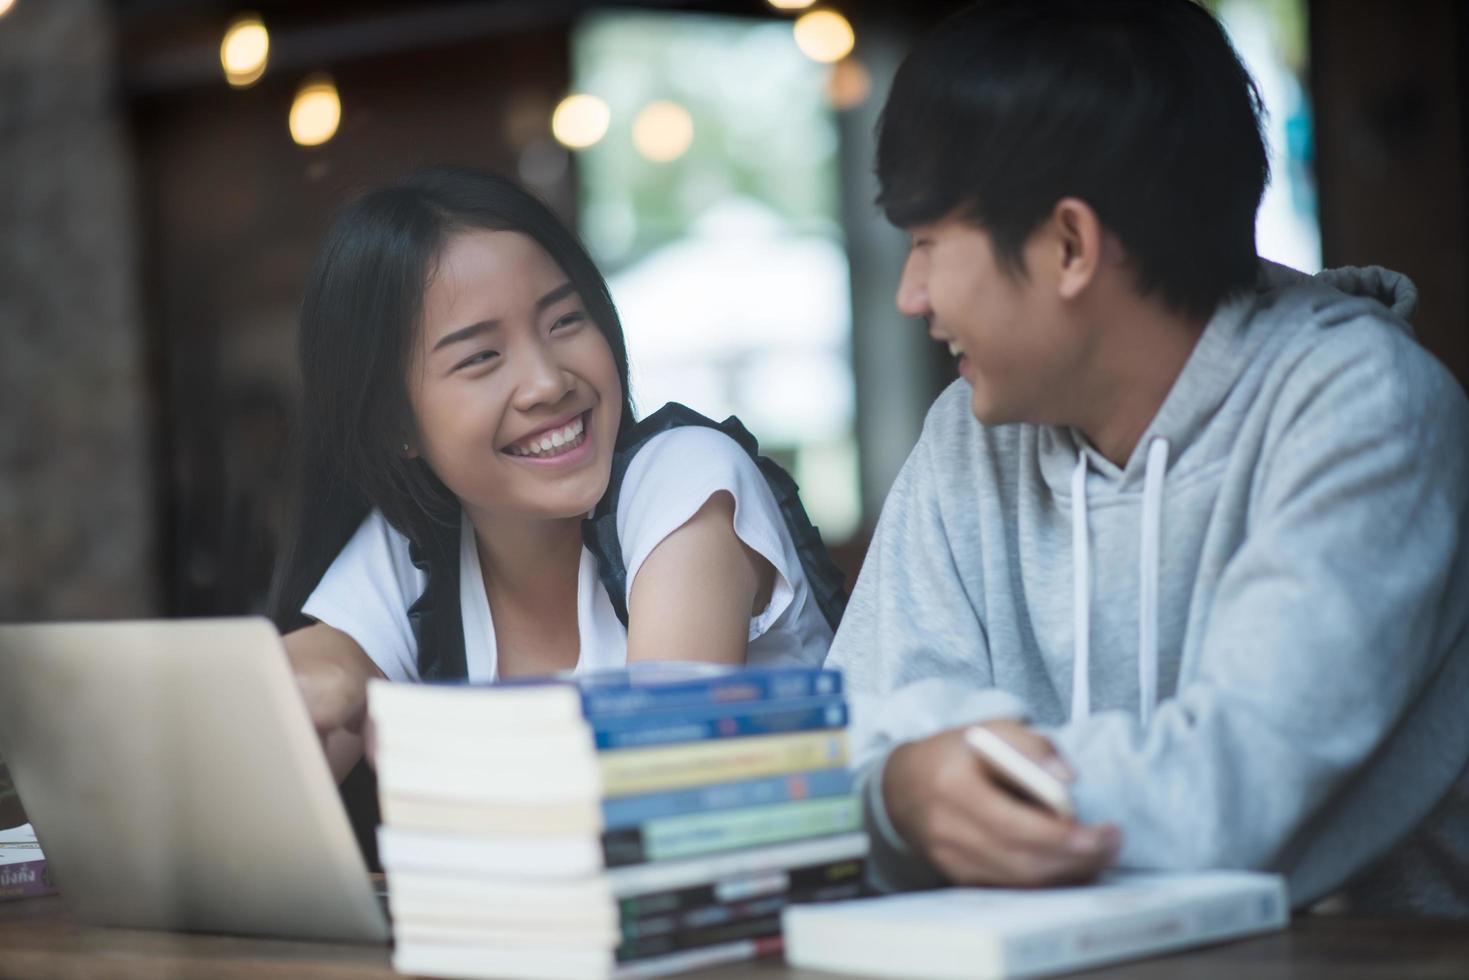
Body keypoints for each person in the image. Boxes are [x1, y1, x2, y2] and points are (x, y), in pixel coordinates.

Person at [825, 0, 1469, 916]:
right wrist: (898, 793)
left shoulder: (1361, 409)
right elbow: (837, 746)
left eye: (928, 242)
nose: (909, 294)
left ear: (1069, 245)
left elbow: (1230, 795)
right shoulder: (967, 436)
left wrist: (929, 784)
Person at [269, 167, 845, 786]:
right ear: (394, 424)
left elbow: (658, 777)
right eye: (481, 357)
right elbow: (296, 718)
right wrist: (327, 681)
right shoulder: (416, 540)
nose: (548, 382)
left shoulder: (686, 479)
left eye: (565, 321)